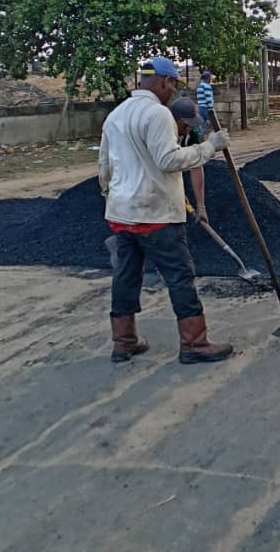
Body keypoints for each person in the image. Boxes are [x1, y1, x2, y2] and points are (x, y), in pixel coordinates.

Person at [99, 57, 234, 365]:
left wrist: (112, 198)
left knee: (125, 277)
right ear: (163, 81)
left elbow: (104, 166)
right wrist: (210, 146)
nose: (173, 91)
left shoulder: (116, 115)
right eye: (173, 84)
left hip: (122, 215)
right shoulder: (158, 114)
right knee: (180, 277)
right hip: (156, 215)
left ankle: (123, 342)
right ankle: (195, 344)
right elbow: (169, 160)